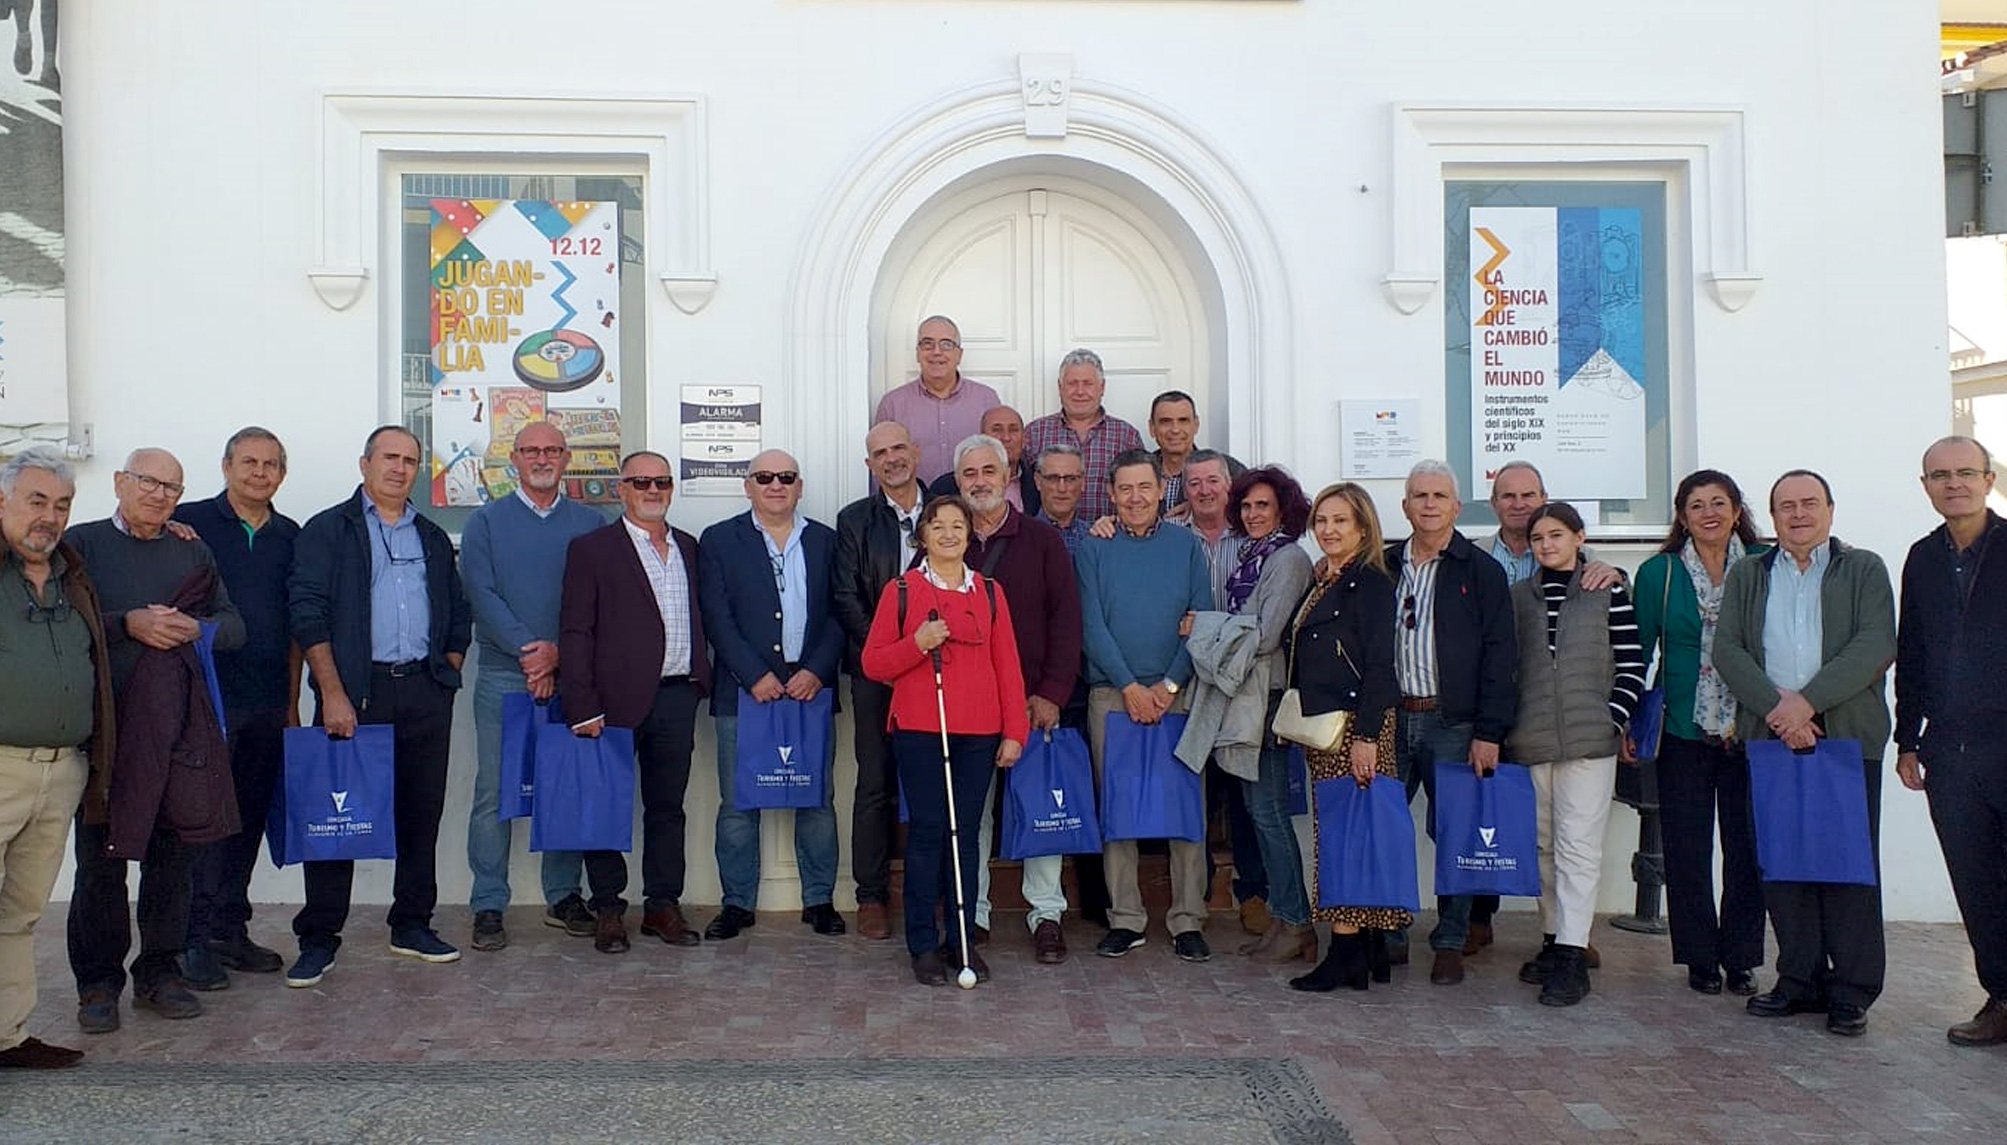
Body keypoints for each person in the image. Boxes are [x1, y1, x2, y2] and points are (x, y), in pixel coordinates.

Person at [285, 425, 472, 988]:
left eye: (410, 460)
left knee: (422, 813)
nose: (399, 468)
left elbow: (457, 612)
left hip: (421, 691)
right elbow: (308, 612)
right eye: (389, 457)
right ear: (364, 462)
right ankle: (319, 937)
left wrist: (448, 671)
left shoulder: (433, 537)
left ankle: (411, 923)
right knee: (336, 816)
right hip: (353, 692)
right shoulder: (328, 530)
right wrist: (332, 692)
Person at [66, 448, 245, 1031]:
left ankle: (159, 974)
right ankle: (97, 984)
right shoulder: (82, 544)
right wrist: (129, 624)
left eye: (172, 486)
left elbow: (234, 625)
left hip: (177, 735)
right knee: (100, 863)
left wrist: (198, 629)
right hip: (106, 733)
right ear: (120, 482)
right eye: (148, 481)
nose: (159, 494)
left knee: (172, 860)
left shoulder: (191, 549)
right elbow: (67, 621)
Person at [1714, 470, 1894, 1038]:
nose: (1797, 514)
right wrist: (1780, 712)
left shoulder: (1863, 568)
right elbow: (1729, 650)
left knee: (1847, 868)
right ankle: (1798, 979)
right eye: (1785, 506)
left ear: (1831, 510)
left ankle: (1852, 991)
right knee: (1783, 864)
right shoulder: (1749, 573)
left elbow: (1874, 645)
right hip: (1771, 742)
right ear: (1772, 516)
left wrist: (1807, 705)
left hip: (1843, 740)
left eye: (1809, 503)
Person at [862, 495, 1029, 985]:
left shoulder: (991, 593)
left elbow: (1009, 669)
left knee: (966, 839)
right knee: (929, 834)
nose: (950, 535)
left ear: (969, 534)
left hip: (978, 734)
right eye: (939, 527)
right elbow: (873, 664)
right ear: (924, 536)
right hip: (920, 730)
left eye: (959, 526)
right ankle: (922, 945)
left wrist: (1014, 731)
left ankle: (961, 939)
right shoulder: (902, 591)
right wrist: (918, 644)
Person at [459, 422, 604, 951]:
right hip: (504, 674)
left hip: (574, 677)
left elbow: (597, 600)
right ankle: (489, 904)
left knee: (565, 789)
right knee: (495, 791)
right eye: (530, 450)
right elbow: (482, 593)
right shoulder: (485, 523)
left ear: (566, 459)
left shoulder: (591, 522)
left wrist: (559, 656)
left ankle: (564, 895)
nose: (541, 458)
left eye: (551, 450)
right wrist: (532, 653)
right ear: (513, 459)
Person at [558, 452, 711, 953]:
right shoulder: (593, 550)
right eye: (641, 481)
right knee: (606, 808)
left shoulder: (689, 546)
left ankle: (662, 905)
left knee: (668, 808)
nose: (653, 489)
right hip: (611, 702)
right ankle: (608, 908)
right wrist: (581, 705)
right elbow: (576, 631)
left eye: (662, 481)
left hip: (676, 695)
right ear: (620, 488)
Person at [1465, 458, 1620, 952]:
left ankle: (1572, 942)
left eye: (1528, 495)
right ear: (1493, 505)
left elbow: (1623, 652)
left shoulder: (1596, 577)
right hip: (1512, 723)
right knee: (1521, 833)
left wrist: (1611, 718)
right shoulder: (1479, 563)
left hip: (1579, 732)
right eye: (1507, 496)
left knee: (1572, 841)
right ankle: (1488, 922)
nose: (1519, 504)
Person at [697, 449, 847, 940]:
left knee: (816, 799)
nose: (776, 485)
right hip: (744, 692)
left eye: (786, 477)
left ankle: (820, 900)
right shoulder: (719, 540)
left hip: (810, 689)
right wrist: (753, 673)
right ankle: (737, 903)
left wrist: (817, 671)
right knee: (739, 802)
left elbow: (841, 613)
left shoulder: (826, 540)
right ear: (748, 486)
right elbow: (716, 616)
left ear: (799, 486)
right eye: (764, 477)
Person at [1631, 469, 1767, 997]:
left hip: (1752, 726)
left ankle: (1742, 958)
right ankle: (1699, 959)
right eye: (1696, 505)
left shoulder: (1763, 565)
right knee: (1687, 849)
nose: (1708, 513)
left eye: (1719, 502)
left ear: (1737, 510)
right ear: (1681, 517)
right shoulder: (1658, 574)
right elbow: (1637, 654)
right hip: (1683, 728)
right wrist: (1629, 721)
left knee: (1747, 847)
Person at [174, 428, 301, 989]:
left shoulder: (292, 537)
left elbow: (300, 626)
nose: (259, 472)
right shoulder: (187, 523)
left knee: (247, 818)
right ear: (226, 466)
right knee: (202, 823)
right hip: (204, 701)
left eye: (271, 464)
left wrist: (295, 701)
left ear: (282, 474)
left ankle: (229, 928)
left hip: (267, 700)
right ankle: (187, 938)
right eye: (248, 461)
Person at [1505, 503, 1646, 1007]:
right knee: (1542, 846)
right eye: (1538, 537)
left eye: (1557, 535)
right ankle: (1552, 936)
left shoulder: (1608, 590)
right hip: (1533, 739)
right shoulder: (1518, 598)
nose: (1547, 545)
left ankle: (1573, 952)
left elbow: (1632, 664)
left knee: (1579, 847)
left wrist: (1611, 719)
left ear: (1579, 537)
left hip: (1590, 743)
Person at [1382, 460, 1517, 985]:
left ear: (1457, 507)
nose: (1430, 504)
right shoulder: (1385, 564)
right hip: (1396, 718)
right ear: (1406, 506)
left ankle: (1451, 939)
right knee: (1388, 828)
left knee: (1455, 833)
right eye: (1420, 495)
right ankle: (1390, 933)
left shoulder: (1479, 570)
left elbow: (1500, 653)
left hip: (1454, 722)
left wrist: (1489, 731)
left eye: (1440, 495)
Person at [1076, 449, 1214, 961]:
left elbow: (1203, 619)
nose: (1135, 498)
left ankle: (1187, 919)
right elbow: (1092, 625)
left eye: (1145, 488)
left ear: (1161, 493)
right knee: (1118, 808)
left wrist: (1170, 685)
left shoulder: (1186, 547)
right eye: (1125, 490)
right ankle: (1126, 918)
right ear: (1111, 495)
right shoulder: (1094, 549)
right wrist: (1131, 686)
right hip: (1114, 696)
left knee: (1185, 809)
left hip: (1176, 697)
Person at [952, 434, 1082, 962]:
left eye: (989, 471)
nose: (979, 481)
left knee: (1041, 808)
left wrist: (1051, 693)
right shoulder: (943, 540)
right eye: (969, 473)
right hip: (968, 709)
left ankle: (1046, 914)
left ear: (1009, 477)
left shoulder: (1041, 540)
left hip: (1033, 703)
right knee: (974, 812)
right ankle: (974, 913)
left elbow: (1066, 622)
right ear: (957, 482)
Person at [1894, 436, 2007, 1046]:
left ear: (1988, 480)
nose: (1953, 484)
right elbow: (1911, 650)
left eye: (1965, 473)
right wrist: (1906, 738)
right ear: (1926, 486)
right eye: (1940, 475)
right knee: (1975, 878)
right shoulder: (1923, 557)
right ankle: (2002, 997)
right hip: (1950, 749)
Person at [0, 448, 106, 1068]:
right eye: (36, 501)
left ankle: (9, 1035)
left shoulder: (73, 572)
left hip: (61, 770)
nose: (50, 516)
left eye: (61, 505)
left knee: (20, 912)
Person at [1283, 482, 1402, 992]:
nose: (1328, 530)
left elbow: (1380, 662)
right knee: (1353, 834)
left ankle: (1346, 949)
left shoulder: (1370, 582)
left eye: (1340, 521)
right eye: (1321, 521)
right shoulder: (1329, 579)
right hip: (1331, 725)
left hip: (1354, 725)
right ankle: (1369, 954)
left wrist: (1368, 735)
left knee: (1344, 838)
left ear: (1363, 527)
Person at [1212, 467, 1314, 962]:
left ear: (1283, 510)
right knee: (1259, 812)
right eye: (1247, 506)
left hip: (1268, 699)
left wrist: (1207, 632)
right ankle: (1284, 918)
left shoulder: (1289, 557)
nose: (1253, 515)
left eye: (1263, 507)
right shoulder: (1257, 554)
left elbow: (1266, 633)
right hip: (1247, 694)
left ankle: (1297, 923)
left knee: (1270, 814)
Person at [833, 421, 927, 940]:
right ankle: (870, 895)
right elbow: (846, 597)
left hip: (940, 671)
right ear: (869, 465)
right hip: (875, 672)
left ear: (915, 451)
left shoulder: (947, 509)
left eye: (898, 447)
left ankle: (931, 890)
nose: (891, 458)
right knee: (874, 783)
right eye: (879, 453)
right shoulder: (854, 521)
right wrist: (892, 655)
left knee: (931, 782)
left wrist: (921, 655)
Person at [873, 315, 1002, 486]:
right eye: (927, 344)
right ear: (918, 353)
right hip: (915, 509)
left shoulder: (986, 400)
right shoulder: (893, 405)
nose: (936, 351)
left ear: (959, 355)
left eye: (946, 344)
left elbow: (1000, 459)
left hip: (973, 507)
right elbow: (880, 466)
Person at [1021, 349, 1144, 523]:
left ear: (1102, 388)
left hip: (1109, 540)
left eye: (1087, 383)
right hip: (1049, 541)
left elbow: (1142, 490)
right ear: (1060, 387)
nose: (1080, 391)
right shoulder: (1035, 433)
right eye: (1072, 383)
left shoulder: (1126, 435)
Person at [1144, 390, 1243, 519]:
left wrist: (1203, 503)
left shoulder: (1226, 468)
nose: (1175, 429)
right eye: (1166, 421)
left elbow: (1254, 506)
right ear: (1152, 428)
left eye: (1183, 420)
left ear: (1196, 425)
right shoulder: (1140, 472)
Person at [927, 406, 1040, 516]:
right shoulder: (944, 488)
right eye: (997, 429)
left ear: (1024, 439)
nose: (1006, 437)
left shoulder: (1039, 484)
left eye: (1013, 430)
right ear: (982, 436)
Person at [1033, 442, 1093, 556]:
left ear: (1083, 482)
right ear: (1038, 481)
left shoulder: (1094, 538)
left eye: (1070, 478)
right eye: (1053, 478)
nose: (1062, 488)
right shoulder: (1020, 537)